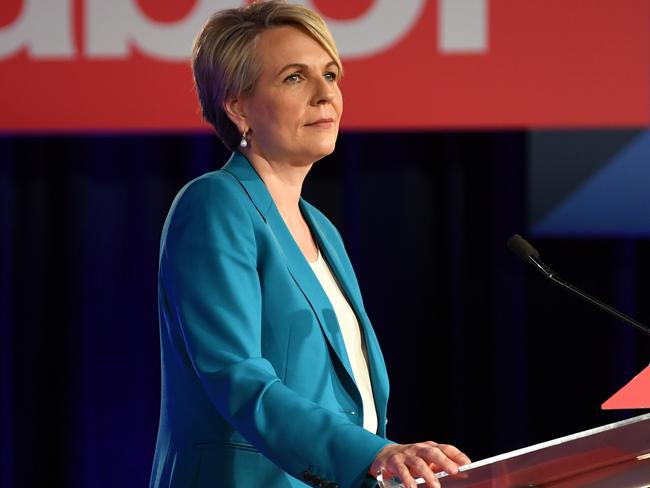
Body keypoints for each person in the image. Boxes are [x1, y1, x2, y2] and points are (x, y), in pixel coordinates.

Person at [150, 2, 470, 487]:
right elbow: (236, 376)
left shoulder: (322, 229)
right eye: (295, 78)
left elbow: (339, 400)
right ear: (237, 106)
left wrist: (389, 462)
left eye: (332, 75)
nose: (327, 95)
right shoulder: (215, 205)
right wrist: (378, 453)